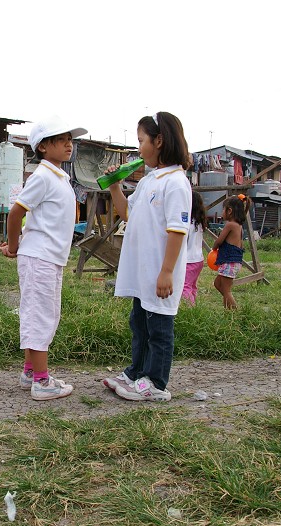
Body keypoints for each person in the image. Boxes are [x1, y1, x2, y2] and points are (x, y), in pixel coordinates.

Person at [102, 112, 192, 402]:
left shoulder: (176, 183)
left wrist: (167, 271)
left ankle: (155, 382)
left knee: (159, 329)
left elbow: (177, 231)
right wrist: (115, 185)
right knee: (139, 324)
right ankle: (136, 371)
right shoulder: (149, 181)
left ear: (160, 141)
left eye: (141, 141)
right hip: (143, 273)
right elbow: (127, 213)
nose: (138, 148)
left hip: (159, 273)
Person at [0, 116, 87, 400]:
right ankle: (41, 380)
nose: (68, 145)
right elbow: (16, 212)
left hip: (48, 256)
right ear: (44, 147)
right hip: (41, 258)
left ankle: (29, 372)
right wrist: (13, 246)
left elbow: (41, 221)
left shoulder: (59, 177)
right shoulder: (43, 176)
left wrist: (19, 243)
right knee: (40, 316)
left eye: (70, 140)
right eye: (62, 140)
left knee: (41, 313)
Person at [212, 194, 250, 309]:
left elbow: (219, 241)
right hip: (234, 262)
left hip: (229, 261)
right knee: (218, 284)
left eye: (223, 209)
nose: (222, 212)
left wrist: (214, 248)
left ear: (229, 211)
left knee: (226, 290)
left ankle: (233, 312)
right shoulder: (238, 226)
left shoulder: (230, 225)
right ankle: (230, 307)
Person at [181, 191, 207, 305]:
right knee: (192, 285)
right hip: (199, 259)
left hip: (188, 260)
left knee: (184, 286)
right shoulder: (199, 222)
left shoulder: (188, 223)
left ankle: (189, 309)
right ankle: (194, 304)